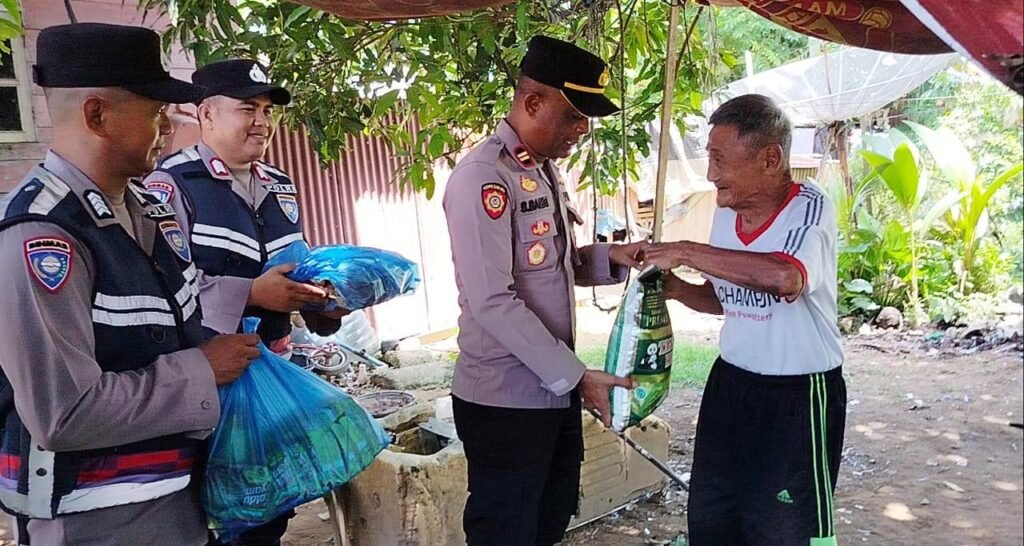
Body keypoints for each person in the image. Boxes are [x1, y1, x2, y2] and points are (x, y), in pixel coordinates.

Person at [0, 23, 260, 545]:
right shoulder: (43, 235)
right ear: (96, 115)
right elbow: (65, 412)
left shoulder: (149, 213)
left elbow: (173, 332)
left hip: (175, 498)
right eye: (155, 110)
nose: (168, 126)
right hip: (95, 519)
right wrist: (202, 370)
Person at [442, 35, 645, 546]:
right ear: (533, 102)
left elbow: (547, 264)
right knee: (506, 532)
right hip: (505, 400)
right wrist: (576, 377)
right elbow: (492, 298)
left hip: (551, 391)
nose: (583, 129)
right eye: (575, 115)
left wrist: (608, 258)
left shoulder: (538, 167)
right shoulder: (484, 177)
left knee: (549, 521)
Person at [142, 58, 344, 545]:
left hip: (274, 380)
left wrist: (324, 303)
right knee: (218, 517)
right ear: (206, 114)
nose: (261, 121)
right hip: (212, 390)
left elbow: (295, 266)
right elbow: (164, 289)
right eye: (247, 108)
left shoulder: (279, 185)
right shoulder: (171, 186)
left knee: (270, 513)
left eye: (267, 110)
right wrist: (250, 293)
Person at [641, 94, 846, 546]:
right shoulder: (724, 212)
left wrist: (687, 250)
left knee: (785, 530)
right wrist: (679, 290)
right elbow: (728, 299)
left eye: (720, 159)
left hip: (796, 396)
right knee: (714, 517)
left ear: (770, 158)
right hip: (731, 386)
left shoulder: (808, 207)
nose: (711, 174)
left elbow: (784, 278)